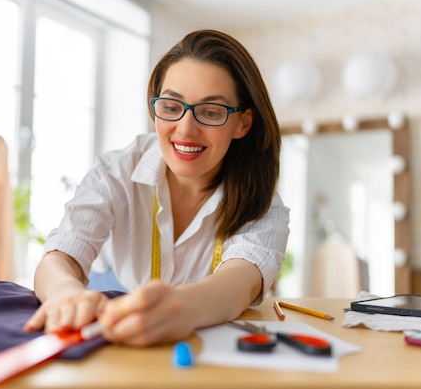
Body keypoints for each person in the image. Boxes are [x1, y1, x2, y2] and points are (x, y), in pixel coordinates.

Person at [24, 29, 290, 346]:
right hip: (115, 312)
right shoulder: (116, 171)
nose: (186, 129)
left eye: (211, 112)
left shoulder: (262, 204)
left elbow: (238, 283)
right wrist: (65, 293)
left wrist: (184, 308)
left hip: (199, 334)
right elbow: (60, 256)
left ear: (243, 123)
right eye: (171, 106)